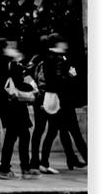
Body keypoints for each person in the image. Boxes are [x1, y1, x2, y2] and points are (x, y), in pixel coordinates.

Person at [35, 36, 86, 173]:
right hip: (61, 101)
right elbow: (57, 81)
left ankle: (62, 160)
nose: (65, 45)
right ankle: (84, 159)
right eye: (62, 42)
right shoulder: (55, 59)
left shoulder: (53, 58)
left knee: (57, 132)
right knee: (70, 132)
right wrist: (70, 75)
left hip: (58, 101)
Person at [0, 39, 38, 179]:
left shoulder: (3, 63)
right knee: (20, 136)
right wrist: (33, 87)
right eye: (11, 47)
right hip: (15, 106)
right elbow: (20, 82)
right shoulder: (11, 64)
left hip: (9, 105)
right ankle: (18, 169)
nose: (15, 49)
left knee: (15, 136)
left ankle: (11, 168)